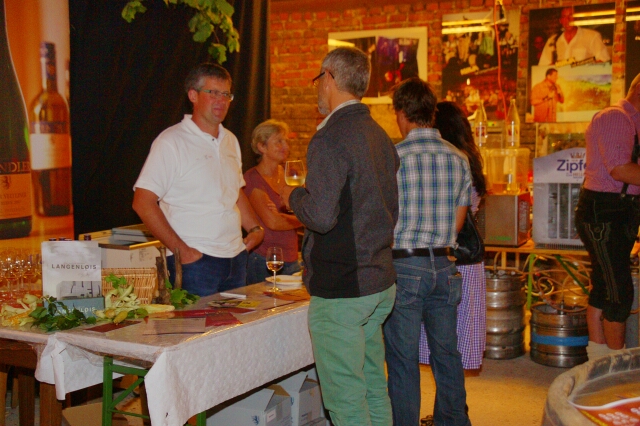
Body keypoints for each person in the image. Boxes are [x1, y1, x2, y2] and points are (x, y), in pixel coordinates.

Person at [280, 46, 399, 426]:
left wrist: (291, 195)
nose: (318, 87)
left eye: (319, 79)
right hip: (379, 280)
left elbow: (320, 216)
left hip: (344, 288)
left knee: (346, 402)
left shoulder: (331, 137)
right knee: (372, 387)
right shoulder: (379, 134)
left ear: (329, 77)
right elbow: (386, 208)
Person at [383, 78, 472, 426]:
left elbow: (383, 219)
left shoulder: (394, 157)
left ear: (401, 113)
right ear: (432, 113)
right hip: (445, 266)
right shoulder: (458, 158)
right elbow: (458, 223)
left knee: (403, 360)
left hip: (405, 265)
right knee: (446, 353)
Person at [132, 63, 265, 297]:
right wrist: (184, 252)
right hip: (196, 262)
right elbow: (142, 202)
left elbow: (234, 191)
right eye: (213, 92)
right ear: (193, 95)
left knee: (236, 322)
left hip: (235, 257)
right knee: (197, 322)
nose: (221, 100)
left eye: (226, 94)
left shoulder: (230, 140)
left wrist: (254, 228)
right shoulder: (171, 141)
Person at [418, 101, 487, 374]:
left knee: (440, 330)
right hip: (469, 258)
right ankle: (453, 393)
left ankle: (449, 395)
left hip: (445, 255)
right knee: (462, 327)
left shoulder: (444, 162)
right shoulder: (469, 161)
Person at [575, 72, 640, 359]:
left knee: (604, 285)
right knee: (619, 291)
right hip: (604, 211)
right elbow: (620, 169)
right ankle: (616, 368)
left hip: (619, 210)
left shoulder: (633, 122)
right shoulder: (615, 117)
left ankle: (598, 362)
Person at [243, 119, 302, 284]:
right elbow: (273, 222)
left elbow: (309, 207)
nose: (286, 147)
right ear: (262, 147)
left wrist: (297, 216)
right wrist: (303, 219)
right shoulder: (253, 178)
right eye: (279, 142)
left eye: (286, 142)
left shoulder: (290, 175)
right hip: (264, 260)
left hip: (291, 257)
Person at [538, 6, 610, 66]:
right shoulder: (552, 40)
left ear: (577, 18)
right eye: (564, 16)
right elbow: (542, 66)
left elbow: (605, 62)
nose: (568, 20)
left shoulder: (592, 36)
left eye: (571, 15)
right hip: (560, 78)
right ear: (560, 21)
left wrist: (582, 65)